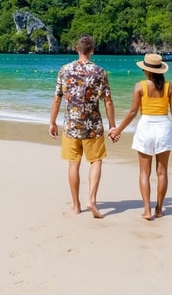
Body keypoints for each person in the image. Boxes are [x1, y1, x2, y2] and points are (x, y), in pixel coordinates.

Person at [109, 53, 172, 220]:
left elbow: (133, 112)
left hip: (146, 128)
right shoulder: (169, 87)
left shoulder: (139, 86)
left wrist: (118, 130)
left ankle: (147, 210)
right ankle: (159, 209)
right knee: (162, 172)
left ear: (146, 71)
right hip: (164, 127)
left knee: (144, 172)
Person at [49, 34, 116, 218]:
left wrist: (52, 122)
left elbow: (57, 98)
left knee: (74, 164)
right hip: (92, 126)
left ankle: (76, 206)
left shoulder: (64, 70)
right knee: (96, 161)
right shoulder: (100, 72)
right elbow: (108, 101)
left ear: (77, 49)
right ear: (92, 50)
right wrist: (112, 125)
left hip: (71, 125)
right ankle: (92, 200)